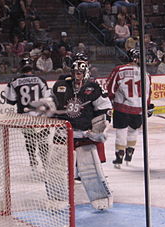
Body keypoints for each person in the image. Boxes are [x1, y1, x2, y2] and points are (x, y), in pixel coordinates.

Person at [39, 59, 113, 210]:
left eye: (80, 73)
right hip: (63, 132)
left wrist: (100, 128)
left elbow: (105, 109)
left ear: (85, 73)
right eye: (75, 73)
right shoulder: (60, 86)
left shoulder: (94, 88)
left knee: (91, 169)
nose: (77, 76)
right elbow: (50, 104)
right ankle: (56, 201)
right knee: (56, 168)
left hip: (85, 134)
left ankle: (101, 199)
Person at [106, 48, 151, 169]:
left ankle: (119, 156)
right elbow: (148, 92)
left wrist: (111, 100)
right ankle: (130, 152)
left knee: (121, 131)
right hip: (138, 107)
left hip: (122, 106)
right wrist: (146, 106)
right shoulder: (145, 73)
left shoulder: (119, 70)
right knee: (133, 130)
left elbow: (110, 87)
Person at [4, 58, 50, 167]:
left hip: (25, 117)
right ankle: (45, 162)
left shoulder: (14, 81)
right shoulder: (40, 80)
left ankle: (32, 159)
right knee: (43, 139)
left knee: (29, 139)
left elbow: (10, 100)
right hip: (40, 116)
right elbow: (48, 98)